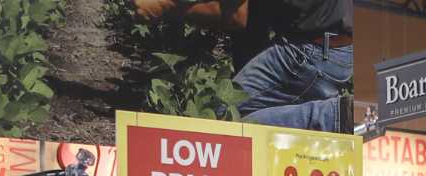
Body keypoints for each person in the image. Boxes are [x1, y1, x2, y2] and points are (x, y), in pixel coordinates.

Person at [138, 0, 353, 131]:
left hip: (306, 55)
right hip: (341, 48)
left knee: (220, 118)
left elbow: (237, 17)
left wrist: (164, 6)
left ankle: (332, 117)